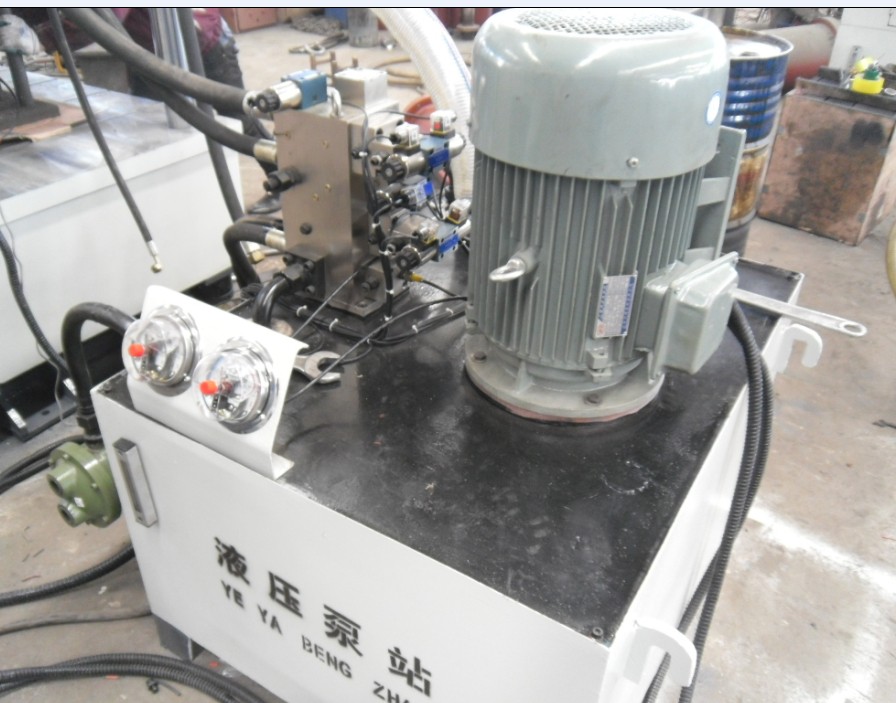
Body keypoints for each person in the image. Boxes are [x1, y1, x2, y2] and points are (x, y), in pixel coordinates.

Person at [0, 8, 279, 215]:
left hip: (202, 40)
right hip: (149, 53)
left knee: (237, 120)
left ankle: (283, 182)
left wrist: (41, 38)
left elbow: (105, 15)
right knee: (158, 127)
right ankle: (182, 200)